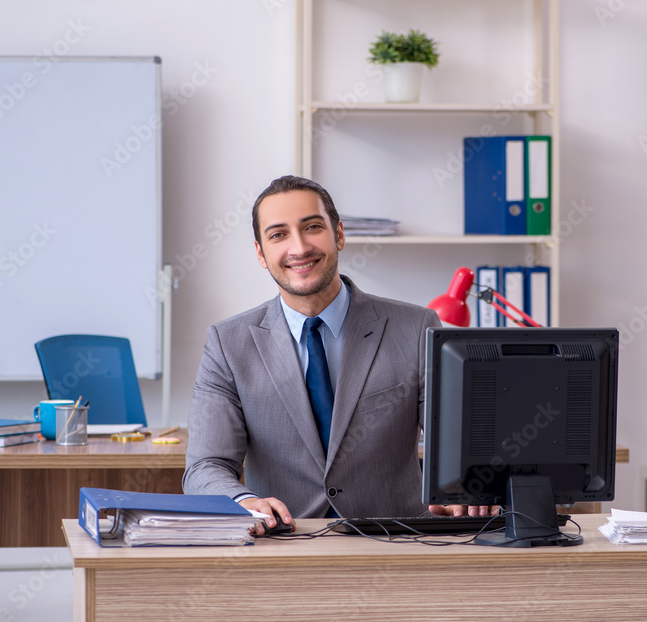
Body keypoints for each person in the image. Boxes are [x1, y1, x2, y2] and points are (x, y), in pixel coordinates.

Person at [183, 176, 491, 533]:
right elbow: (205, 466)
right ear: (261, 254)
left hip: (395, 542)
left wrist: (465, 488)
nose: (299, 248)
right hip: (284, 544)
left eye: (312, 227)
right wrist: (244, 502)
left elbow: (458, 445)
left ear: (339, 235)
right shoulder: (228, 343)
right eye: (278, 235)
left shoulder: (416, 327)